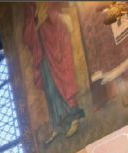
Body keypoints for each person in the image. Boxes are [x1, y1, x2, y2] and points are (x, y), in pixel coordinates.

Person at [23, 3, 85, 144]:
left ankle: (74, 117)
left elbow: (59, 7)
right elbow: (26, 33)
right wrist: (33, 24)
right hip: (42, 47)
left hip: (55, 39)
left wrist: (47, 15)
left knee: (63, 77)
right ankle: (58, 124)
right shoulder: (29, 5)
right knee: (50, 87)